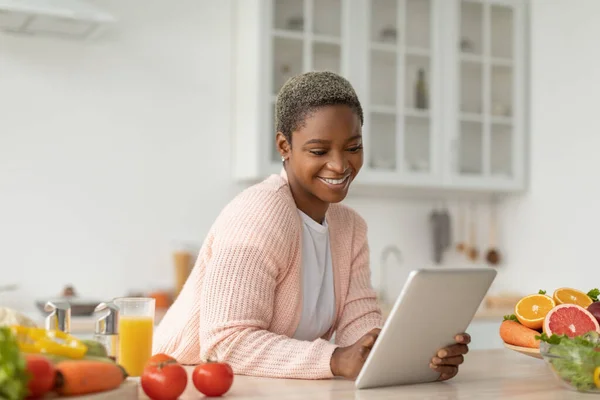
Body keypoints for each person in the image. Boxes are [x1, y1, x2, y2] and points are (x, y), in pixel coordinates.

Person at [152, 71, 470, 380]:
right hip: (183, 382)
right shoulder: (258, 213)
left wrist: (416, 357)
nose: (340, 165)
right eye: (319, 151)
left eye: (353, 147)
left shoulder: (350, 228)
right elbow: (226, 343)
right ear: (284, 146)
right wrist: (335, 359)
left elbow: (359, 327)